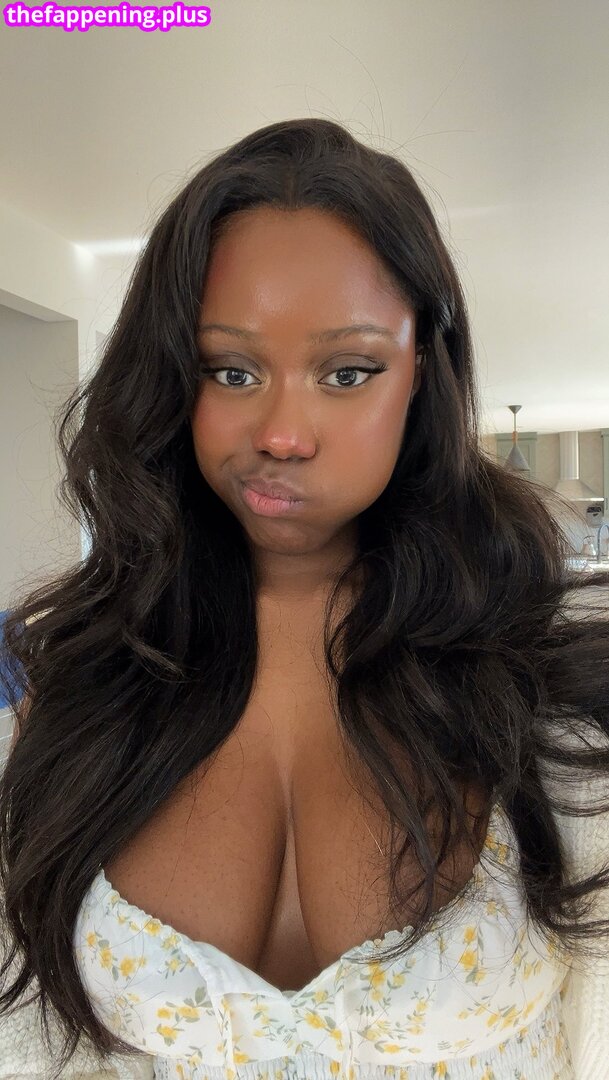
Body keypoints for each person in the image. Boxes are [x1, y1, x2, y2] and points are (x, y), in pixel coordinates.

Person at [1, 117, 609, 1080]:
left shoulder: (548, 673)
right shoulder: (75, 678)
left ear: (422, 372)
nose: (282, 434)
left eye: (346, 372)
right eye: (231, 371)